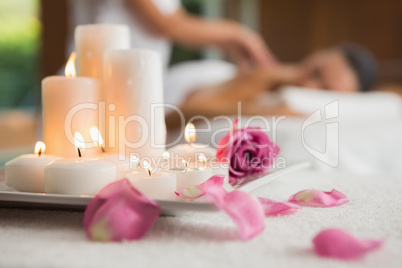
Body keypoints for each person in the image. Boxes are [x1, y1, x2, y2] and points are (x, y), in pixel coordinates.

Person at [171, 43, 379, 122]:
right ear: (316, 53)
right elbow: (176, 115)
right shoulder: (264, 77)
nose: (309, 87)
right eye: (315, 71)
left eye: (325, 91)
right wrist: (265, 110)